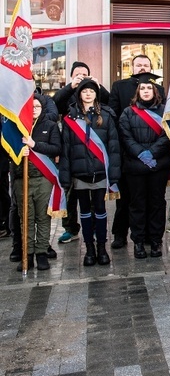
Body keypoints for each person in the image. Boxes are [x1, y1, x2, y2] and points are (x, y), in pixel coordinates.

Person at [59, 79, 121, 267]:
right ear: (79, 94)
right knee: (84, 212)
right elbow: (66, 150)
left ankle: (102, 248)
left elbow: (114, 147)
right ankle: (89, 249)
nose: (88, 94)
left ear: (96, 94)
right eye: (84, 91)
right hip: (80, 174)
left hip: (101, 173)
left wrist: (114, 173)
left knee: (101, 211)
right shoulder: (70, 118)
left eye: (91, 91)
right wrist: (66, 176)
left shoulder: (107, 115)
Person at [109, 55, 164, 250]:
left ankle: (153, 238)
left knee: (155, 201)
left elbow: (166, 130)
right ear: (131, 67)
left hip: (157, 160)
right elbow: (114, 118)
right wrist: (138, 152)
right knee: (130, 201)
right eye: (139, 65)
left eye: (146, 65)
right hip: (130, 156)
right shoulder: (119, 87)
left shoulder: (161, 91)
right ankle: (123, 235)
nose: (142, 68)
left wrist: (152, 153)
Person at [53, 61, 111, 244]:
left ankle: (94, 228)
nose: (81, 77)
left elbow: (109, 101)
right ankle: (70, 229)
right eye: (77, 74)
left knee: (93, 196)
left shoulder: (93, 92)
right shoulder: (67, 94)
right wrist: (71, 87)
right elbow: (56, 103)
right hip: (71, 151)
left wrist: (96, 84)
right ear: (71, 76)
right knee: (69, 193)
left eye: (84, 74)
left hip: (93, 153)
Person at [118, 73, 170, 259]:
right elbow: (125, 137)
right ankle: (139, 242)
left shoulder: (165, 111)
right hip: (135, 167)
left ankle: (156, 241)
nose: (146, 91)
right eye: (143, 88)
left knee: (157, 204)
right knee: (137, 205)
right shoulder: (128, 113)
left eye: (149, 88)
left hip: (158, 165)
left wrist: (152, 153)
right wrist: (142, 154)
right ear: (138, 92)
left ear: (155, 90)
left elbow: (168, 135)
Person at [12, 94, 62, 271]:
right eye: (30, 107)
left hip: (43, 179)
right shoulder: (16, 127)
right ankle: (27, 253)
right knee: (25, 218)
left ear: (42, 109)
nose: (33, 110)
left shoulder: (50, 126)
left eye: (37, 107)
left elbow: (56, 148)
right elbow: (7, 149)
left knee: (42, 217)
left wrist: (35, 145)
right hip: (21, 179)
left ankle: (41, 253)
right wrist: (20, 152)